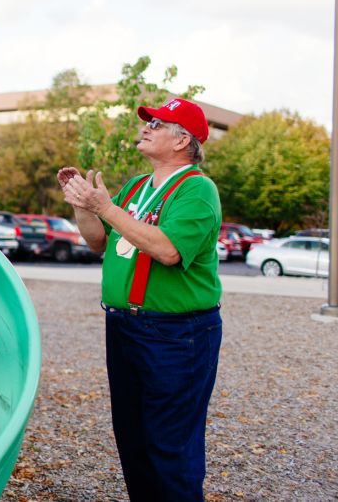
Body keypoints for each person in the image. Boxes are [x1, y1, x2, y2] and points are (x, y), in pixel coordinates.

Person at [57, 97, 222, 501]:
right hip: (125, 326)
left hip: (175, 334)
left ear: (183, 140)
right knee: (133, 439)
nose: (145, 127)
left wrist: (106, 208)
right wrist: (84, 208)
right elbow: (99, 242)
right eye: (147, 122)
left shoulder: (196, 190)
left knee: (170, 444)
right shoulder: (135, 186)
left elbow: (167, 251)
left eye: (158, 124)